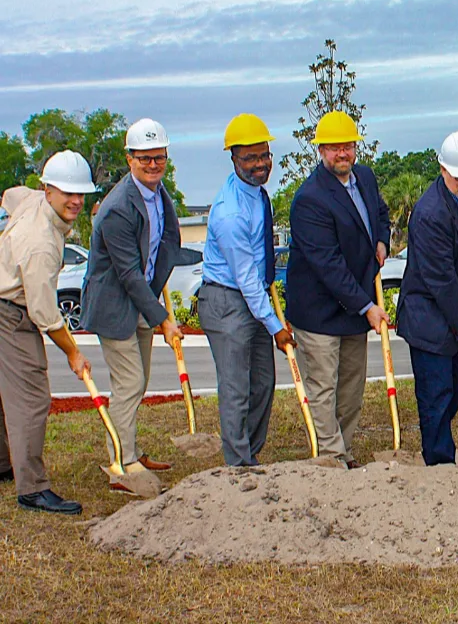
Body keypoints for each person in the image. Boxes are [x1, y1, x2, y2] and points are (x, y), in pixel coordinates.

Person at [80, 118, 191, 492]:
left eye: (158, 158)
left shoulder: (159, 194)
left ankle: (130, 448)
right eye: (144, 159)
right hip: (115, 305)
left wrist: (156, 303)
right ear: (129, 159)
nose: (152, 165)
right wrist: (163, 320)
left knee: (137, 381)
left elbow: (163, 246)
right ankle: (122, 464)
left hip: (140, 300)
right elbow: (127, 274)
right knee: (129, 383)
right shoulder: (116, 208)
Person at [285, 111, 390, 468]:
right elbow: (328, 266)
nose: (342, 153)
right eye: (334, 148)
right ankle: (330, 460)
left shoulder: (364, 178)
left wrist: (382, 241)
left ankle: (342, 452)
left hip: (353, 310)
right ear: (321, 151)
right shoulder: (310, 200)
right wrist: (368, 307)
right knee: (323, 389)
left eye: (347, 146)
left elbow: (381, 213)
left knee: (350, 391)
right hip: (319, 314)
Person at [0, 151, 95, 514]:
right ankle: (32, 489)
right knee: (30, 399)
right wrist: (73, 352)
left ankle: (4, 466)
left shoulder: (29, 199)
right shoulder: (41, 244)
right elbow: (45, 315)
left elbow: (9, 194)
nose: (75, 201)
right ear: (48, 189)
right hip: (11, 314)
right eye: (66, 192)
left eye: (80, 193)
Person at [199, 114, 296, 466]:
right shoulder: (230, 213)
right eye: (250, 158)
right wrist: (276, 328)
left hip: (251, 299)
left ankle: (250, 453)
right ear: (234, 160)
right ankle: (237, 465)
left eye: (264, 155)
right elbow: (246, 278)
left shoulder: (258, 194)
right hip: (226, 301)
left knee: (263, 383)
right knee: (237, 387)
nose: (260, 164)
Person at [396, 131, 458, 465]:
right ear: (442, 169)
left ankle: (441, 452)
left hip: (450, 316)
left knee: (452, 392)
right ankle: (438, 464)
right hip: (429, 320)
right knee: (437, 399)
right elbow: (442, 280)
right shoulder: (430, 214)